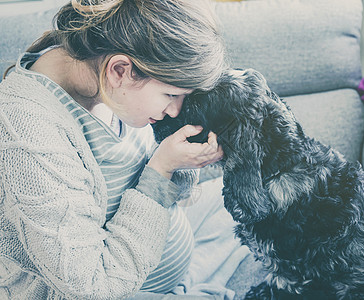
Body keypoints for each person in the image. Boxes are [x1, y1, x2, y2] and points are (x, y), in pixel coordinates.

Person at [0, 0, 227, 298]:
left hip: (164, 256)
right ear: (120, 70)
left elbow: (164, 191)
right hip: (118, 290)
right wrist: (161, 171)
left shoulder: (97, 66)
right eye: (171, 94)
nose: (175, 110)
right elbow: (95, 287)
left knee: (272, 207)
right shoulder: (29, 135)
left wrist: (179, 161)